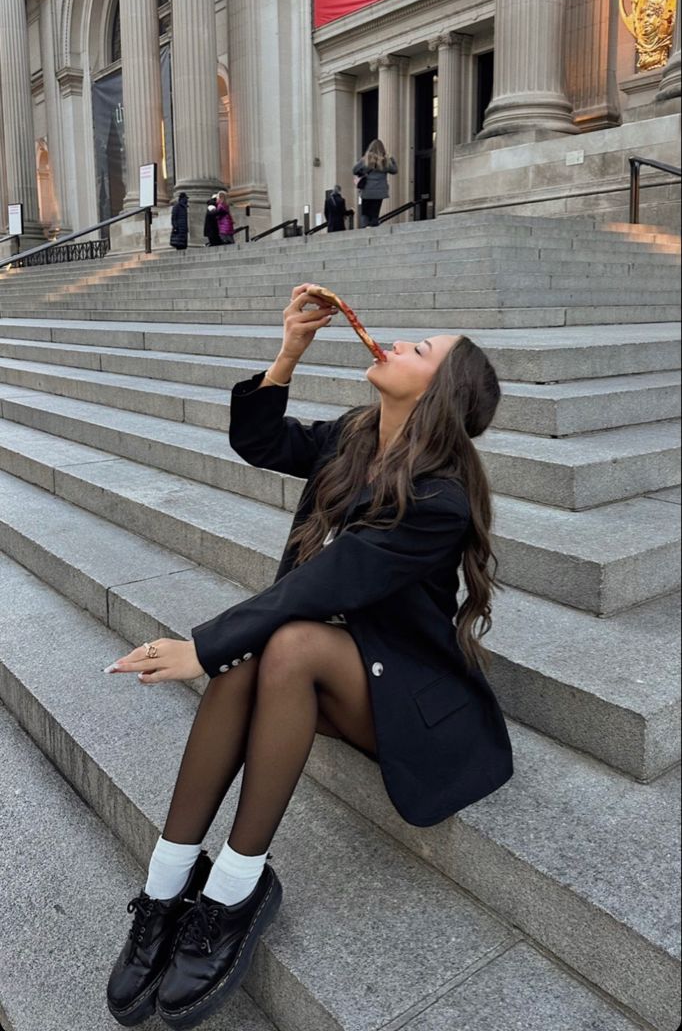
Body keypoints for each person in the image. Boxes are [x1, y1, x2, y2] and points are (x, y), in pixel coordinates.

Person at [105, 284, 513, 1029]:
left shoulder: (440, 500)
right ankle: (166, 888)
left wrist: (201, 645)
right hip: (335, 657)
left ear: (439, 394)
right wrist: (289, 352)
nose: (396, 343)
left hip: (405, 688)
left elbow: (331, 578)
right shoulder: (358, 436)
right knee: (259, 652)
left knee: (280, 640)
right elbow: (261, 442)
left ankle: (235, 892)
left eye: (420, 351)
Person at [352, 139, 398, 227]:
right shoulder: (385, 161)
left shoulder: (366, 160)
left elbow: (354, 170)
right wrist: (392, 159)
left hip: (367, 190)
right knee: (375, 213)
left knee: (365, 212)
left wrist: (362, 172)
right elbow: (394, 170)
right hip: (380, 191)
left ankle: (364, 229)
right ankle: (374, 229)